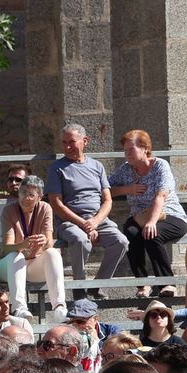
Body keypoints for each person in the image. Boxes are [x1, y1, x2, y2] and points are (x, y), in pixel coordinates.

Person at [46, 122, 127, 284]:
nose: (67, 147)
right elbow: (57, 204)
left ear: (85, 141)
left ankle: (98, 284)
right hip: (70, 222)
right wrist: (84, 224)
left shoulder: (97, 166)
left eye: (71, 142)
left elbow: (107, 199)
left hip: (98, 220)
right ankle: (80, 288)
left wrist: (95, 222)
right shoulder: (57, 168)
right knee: (81, 240)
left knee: (121, 242)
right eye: (64, 143)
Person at [110, 128, 185, 291]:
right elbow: (105, 189)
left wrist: (151, 222)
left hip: (169, 214)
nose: (127, 153)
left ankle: (167, 284)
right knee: (130, 233)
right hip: (139, 216)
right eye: (125, 150)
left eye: (131, 149)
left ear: (145, 148)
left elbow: (160, 196)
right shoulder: (125, 169)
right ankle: (142, 285)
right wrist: (127, 189)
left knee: (152, 234)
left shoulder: (160, 166)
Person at [0, 174, 66, 320]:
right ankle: (20, 308)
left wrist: (44, 241)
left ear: (39, 197)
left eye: (31, 194)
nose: (25, 197)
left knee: (52, 253)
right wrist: (22, 245)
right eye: (22, 192)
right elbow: (7, 248)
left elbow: (49, 242)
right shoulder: (9, 210)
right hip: (5, 265)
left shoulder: (45, 208)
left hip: (32, 265)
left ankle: (59, 307)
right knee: (16, 255)